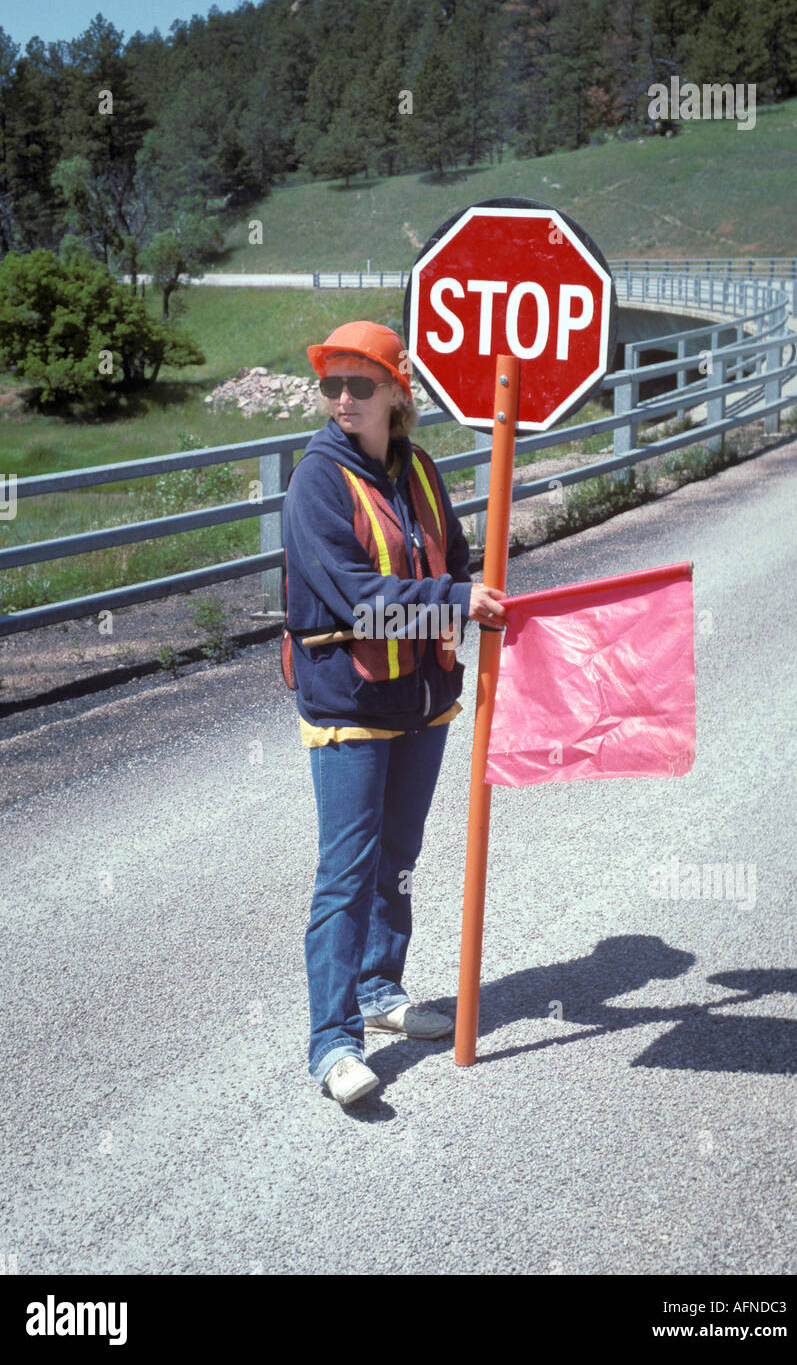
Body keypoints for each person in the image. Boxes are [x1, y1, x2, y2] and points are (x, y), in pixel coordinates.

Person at [282, 320, 507, 1106]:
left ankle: (379, 990)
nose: (343, 399)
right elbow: (356, 598)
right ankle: (331, 1043)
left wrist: (464, 597)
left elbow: (452, 555)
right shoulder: (315, 479)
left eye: (360, 384)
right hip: (349, 702)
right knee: (345, 874)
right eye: (332, 384)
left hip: (422, 697)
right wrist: (450, 602)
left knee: (398, 860)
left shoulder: (416, 467)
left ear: (393, 394)